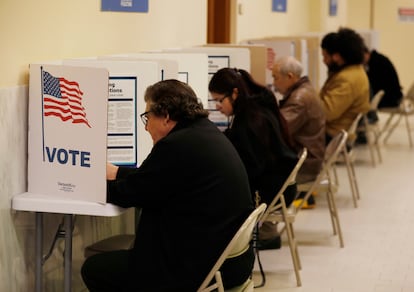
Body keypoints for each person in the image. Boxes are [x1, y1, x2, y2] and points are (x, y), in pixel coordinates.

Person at [81, 79, 255, 291]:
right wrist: (117, 172)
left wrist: (81, 184)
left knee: (94, 269)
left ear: (165, 116)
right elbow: (158, 179)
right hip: (227, 262)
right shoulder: (202, 133)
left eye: (148, 117)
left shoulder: (176, 145)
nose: (145, 127)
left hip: (195, 269)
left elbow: (130, 194)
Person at [208, 67, 298, 250]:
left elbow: (252, 168)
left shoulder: (251, 120)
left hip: (270, 189)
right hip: (282, 184)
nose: (217, 106)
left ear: (235, 93)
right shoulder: (256, 108)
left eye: (219, 100)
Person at [272, 56, 326, 209]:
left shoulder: (298, 99)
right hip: (311, 159)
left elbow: (278, 129)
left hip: (304, 166)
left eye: (275, 78)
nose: (274, 84)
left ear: (290, 76)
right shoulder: (306, 90)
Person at [320, 27, 370, 144]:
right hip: (338, 132)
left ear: (337, 56)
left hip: (332, 135)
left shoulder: (346, 79)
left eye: (325, 56)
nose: (324, 61)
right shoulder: (354, 71)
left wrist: (307, 97)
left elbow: (326, 113)